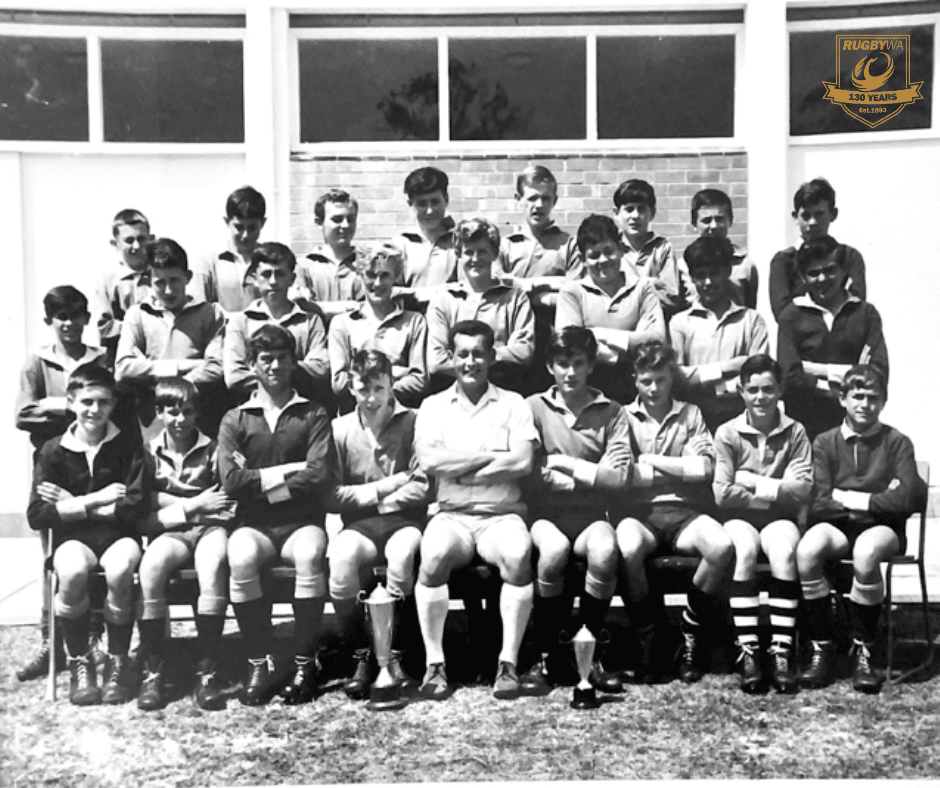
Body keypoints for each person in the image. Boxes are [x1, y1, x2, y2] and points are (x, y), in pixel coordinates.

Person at [413, 320, 537, 700]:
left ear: (492, 356)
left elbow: (522, 463)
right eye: (462, 354)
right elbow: (431, 460)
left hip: (501, 516)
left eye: (478, 353)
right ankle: (435, 664)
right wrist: (488, 459)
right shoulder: (433, 406)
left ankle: (508, 664)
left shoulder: (514, 403)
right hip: (452, 515)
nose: (470, 362)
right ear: (451, 358)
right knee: (432, 556)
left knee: (518, 556)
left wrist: (462, 467)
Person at [218, 324, 335, 706]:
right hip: (255, 525)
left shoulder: (312, 412)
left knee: (309, 557)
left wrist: (266, 486)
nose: (274, 366)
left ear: (293, 361)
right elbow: (232, 480)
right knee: (240, 556)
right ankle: (259, 663)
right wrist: (287, 475)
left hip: (303, 522)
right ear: (252, 364)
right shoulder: (235, 418)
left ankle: (305, 663)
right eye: (265, 359)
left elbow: (318, 473)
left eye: (282, 357)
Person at [27, 365, 150, 706]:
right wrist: (95, 499)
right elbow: (38, 515)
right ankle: (81, 663)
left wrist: (70, 504)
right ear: (70, 402)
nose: (95, 410)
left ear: (113, 405)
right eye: (87, 402)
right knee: (72, 571)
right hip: (74, 539)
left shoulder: (127, 445)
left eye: (104, 402)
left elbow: (134, 507)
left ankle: (117, 662)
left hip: (118, 535)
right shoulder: (52, 450)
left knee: (122, 569)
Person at [797, 365, 923, 693]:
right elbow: (819, 501)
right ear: (843, 399)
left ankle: (864, 650)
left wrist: (852, 498)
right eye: (858, 396)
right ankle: (821, 648)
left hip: (883, 529)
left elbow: (907, 497)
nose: (865, 404)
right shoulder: (825, 442)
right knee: (808, 549)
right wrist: (880, 496)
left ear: (883, 402)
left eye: (873, 398)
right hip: (837, 526)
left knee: (866, 552)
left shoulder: (897, 442)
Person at [521, 326, 632, 696]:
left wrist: (564, 465)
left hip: (591, 516)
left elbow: (617, 480)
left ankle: (590, 651)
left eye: (579, 363)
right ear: (550, 366)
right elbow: (530, 475)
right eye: (562, 363)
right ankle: (547, 653)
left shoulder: (612, 411)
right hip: (545, 516)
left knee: (604, 550)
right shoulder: (533, 407)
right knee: (552, 552)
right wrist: (588, 475)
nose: (570, 372)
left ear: (591, 366)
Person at [615, 341, 733, 684]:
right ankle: (651, 637)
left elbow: (707, 469)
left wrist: (650, 462)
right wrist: (682, 465)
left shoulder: (691, 413)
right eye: (646, 380)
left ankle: (689, 633)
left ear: (672, 379)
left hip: (686, 512)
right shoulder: (622, 415)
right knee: (626, 548)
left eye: (661, 380)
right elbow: (624, 475)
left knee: (721, 546)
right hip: (641, 514)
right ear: (635, 379)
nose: (654, 389)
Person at [14, 286, 109, 682]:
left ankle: (95, 641)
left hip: (98, 464)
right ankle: (52, 643)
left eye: (75, 316)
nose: (68, 324)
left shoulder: (99, 358)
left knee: (98, 549)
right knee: (54, 555)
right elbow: (23, 415)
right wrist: (65, 407)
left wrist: (66, 408)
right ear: (50, 322)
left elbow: (109, 403)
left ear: (87, 319)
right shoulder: (38, 362)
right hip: (53, 467)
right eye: (60, 318)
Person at [327, 349, 428, 699]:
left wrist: (383, 499)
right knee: (340, 560)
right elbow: (332, 495)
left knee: (401, 556)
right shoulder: (339, 429)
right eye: (363, 389)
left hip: (404, 521)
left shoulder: (413, 421)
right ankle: (362, 655)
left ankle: (397, 656)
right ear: (351, 387)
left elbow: (422, 484)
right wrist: (385, 486)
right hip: (360, 525)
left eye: (379, 389)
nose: (371, 398)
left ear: (391, 386)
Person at [713, 354, 814, 694]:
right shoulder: (727, 432)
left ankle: (782, 650)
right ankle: (749, 650)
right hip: (739, 519)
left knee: (785, 551)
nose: (760, 398)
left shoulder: (796, 430)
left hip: (778, 520)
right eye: (752, 390)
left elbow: (802, 491)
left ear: (780, 389)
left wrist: (752, 482)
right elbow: (723, 495)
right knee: (743, 549)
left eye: (768, 389)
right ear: (741, 391)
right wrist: (775, 491)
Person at [136, 378, 235, 712]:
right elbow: (143, 509)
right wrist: (194, 504)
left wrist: (173, 504)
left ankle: (207, 671)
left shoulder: (213, 449)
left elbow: (223, 502)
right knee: (151, 567)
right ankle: (153, 670)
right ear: (159, 413)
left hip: (209, 530)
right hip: (171, 532)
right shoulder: (149, 451)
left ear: (197, 414)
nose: (180, 420)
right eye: (171, 412)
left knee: (213, 566)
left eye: (187, 412)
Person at [777, 235, 888, 439]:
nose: (822, 279)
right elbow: (789, 378)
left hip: (857, 430)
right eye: (814, 273)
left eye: (829, 271)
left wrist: (813, 370)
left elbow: (877, 374)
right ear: (802, 277)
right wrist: (849, 375)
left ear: (843, 272)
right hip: (806, 428)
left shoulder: (865, 314)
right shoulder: (791, 316)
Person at [114, 238, 226, 439]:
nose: (168, 290)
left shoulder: (210, 313)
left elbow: (216, 367)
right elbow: (123, 368)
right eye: (160, 282)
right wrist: (181, 366)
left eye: (174, 280)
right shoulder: (137, 315)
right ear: (149, 281)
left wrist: (178, 387)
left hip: (198, 417)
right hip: (153, 418)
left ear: (188, 277)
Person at [556, 214, 665, 404]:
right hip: (588, 393)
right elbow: (571, 347)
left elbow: (657, 340)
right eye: (594, 255)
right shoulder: (572, 292)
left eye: (609, 251)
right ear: (582, 259)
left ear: (621, 249)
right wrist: (628, 350)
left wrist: (596, 334)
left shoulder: (643, 288)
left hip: (637, 392)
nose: (603, 260)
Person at [497, 164, 584, 396]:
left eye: (546, 198)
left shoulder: (569, 244)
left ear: (555, 200)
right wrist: (553, 284)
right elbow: (498, 288)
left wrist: (528, 287)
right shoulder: (504, 245)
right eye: (532, 198)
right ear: (518, 199)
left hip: (552, 335)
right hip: (514, 336)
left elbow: (574, 293)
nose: (539, 205)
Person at [669, 236, 770, 433]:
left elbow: (758, 376)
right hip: (693, 426)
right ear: (691, 277)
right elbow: (678, 378)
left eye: (714, 274)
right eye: (700, 275)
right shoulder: (680, 323)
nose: (707, 282)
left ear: (728, 272)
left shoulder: (751, 321)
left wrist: (707, 384)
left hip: (741, 423)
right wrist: (729, 367)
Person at [427, 218, 534, 394]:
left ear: (494, 254)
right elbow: (436, 361)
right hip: (454, 398)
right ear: (459, 255)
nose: (475, 259)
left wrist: (465, 359)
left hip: (503, 393)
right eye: (469, 252)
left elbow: (523, 352)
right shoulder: (444, 300)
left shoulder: (514, 298)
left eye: (482, 251)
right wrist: (491, 358)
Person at [223, 241, 331, 411]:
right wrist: (291, 368)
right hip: (254, 414)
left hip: (301, 413)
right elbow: (235, 376)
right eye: (266, 274)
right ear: (254, 278)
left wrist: (264, 369)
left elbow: (320, 369)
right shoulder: (240, 323)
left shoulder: (310, 321)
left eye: (280, 274)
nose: (273, 281)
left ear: (292, 279)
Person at [328, 244, 427, 412]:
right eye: (371, 275)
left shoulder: (414, 321)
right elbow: (339, 382)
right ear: (360, 276)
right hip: (356, 418)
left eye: (385, 275)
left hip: (399, 416)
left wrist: (365, 382)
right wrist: (394, 374)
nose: (378, 283)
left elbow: (419, 381)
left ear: (395, 277)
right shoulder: (342, 324)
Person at [769, 177, 866, 321]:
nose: (813, 222)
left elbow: (856, 305)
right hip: (801, 340)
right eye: (806, 216)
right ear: (795, 217)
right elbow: (782, 313)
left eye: (819, 214)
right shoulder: (783, 261)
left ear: (833, 214)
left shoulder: (849, 257)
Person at [612, 179, 688, 317]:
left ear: (652, 213)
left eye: (641, 209)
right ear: (616, 213)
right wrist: (650, 282)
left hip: (655, 324)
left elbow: (671, 299)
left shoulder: (663, 247)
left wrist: (627, 290)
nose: (635, 216)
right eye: (629, 209)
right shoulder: (610, 248)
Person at [292, 188, 365, 322]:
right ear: (319, 222)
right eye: (337, 219)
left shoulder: (368, 262)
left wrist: (320, 308)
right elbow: (301, 308)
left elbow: (375, 308)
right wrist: (352, 306)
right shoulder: (304, 266)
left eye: (351, 219)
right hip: (317, 340)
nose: (345, 225)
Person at [191, 185, 266, 314]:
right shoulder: (210, 263)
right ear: (227, 222)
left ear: (263, 223)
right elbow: (198, 313)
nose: (245, 235)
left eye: (252, 228)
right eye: (239, 227)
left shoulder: (269, 261)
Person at [390, 166, 458, 309]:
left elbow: (467, 289)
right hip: (410, 326)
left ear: (446, 200)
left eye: (435, 202)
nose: (429, 210)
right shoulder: (400, 244)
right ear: (410, 204)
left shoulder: (460, 241)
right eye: (421, 204)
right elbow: (390, 292)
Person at [93, 208, 154, 364]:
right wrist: (137, 329)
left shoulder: (160, 277)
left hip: (159, 357)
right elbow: (104, 327)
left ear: (152, 240)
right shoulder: (108, 281)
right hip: (122, 361)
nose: (136, 246)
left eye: (142, 239)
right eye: (129, 240)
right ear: (115, 243)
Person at [685, 188, 757, 309]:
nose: (713, 226)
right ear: (694, 223)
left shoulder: (745, 265)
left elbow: (750, 307)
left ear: (730, 220)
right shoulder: (683, 266)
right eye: (706, 220)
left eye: (719, 219)